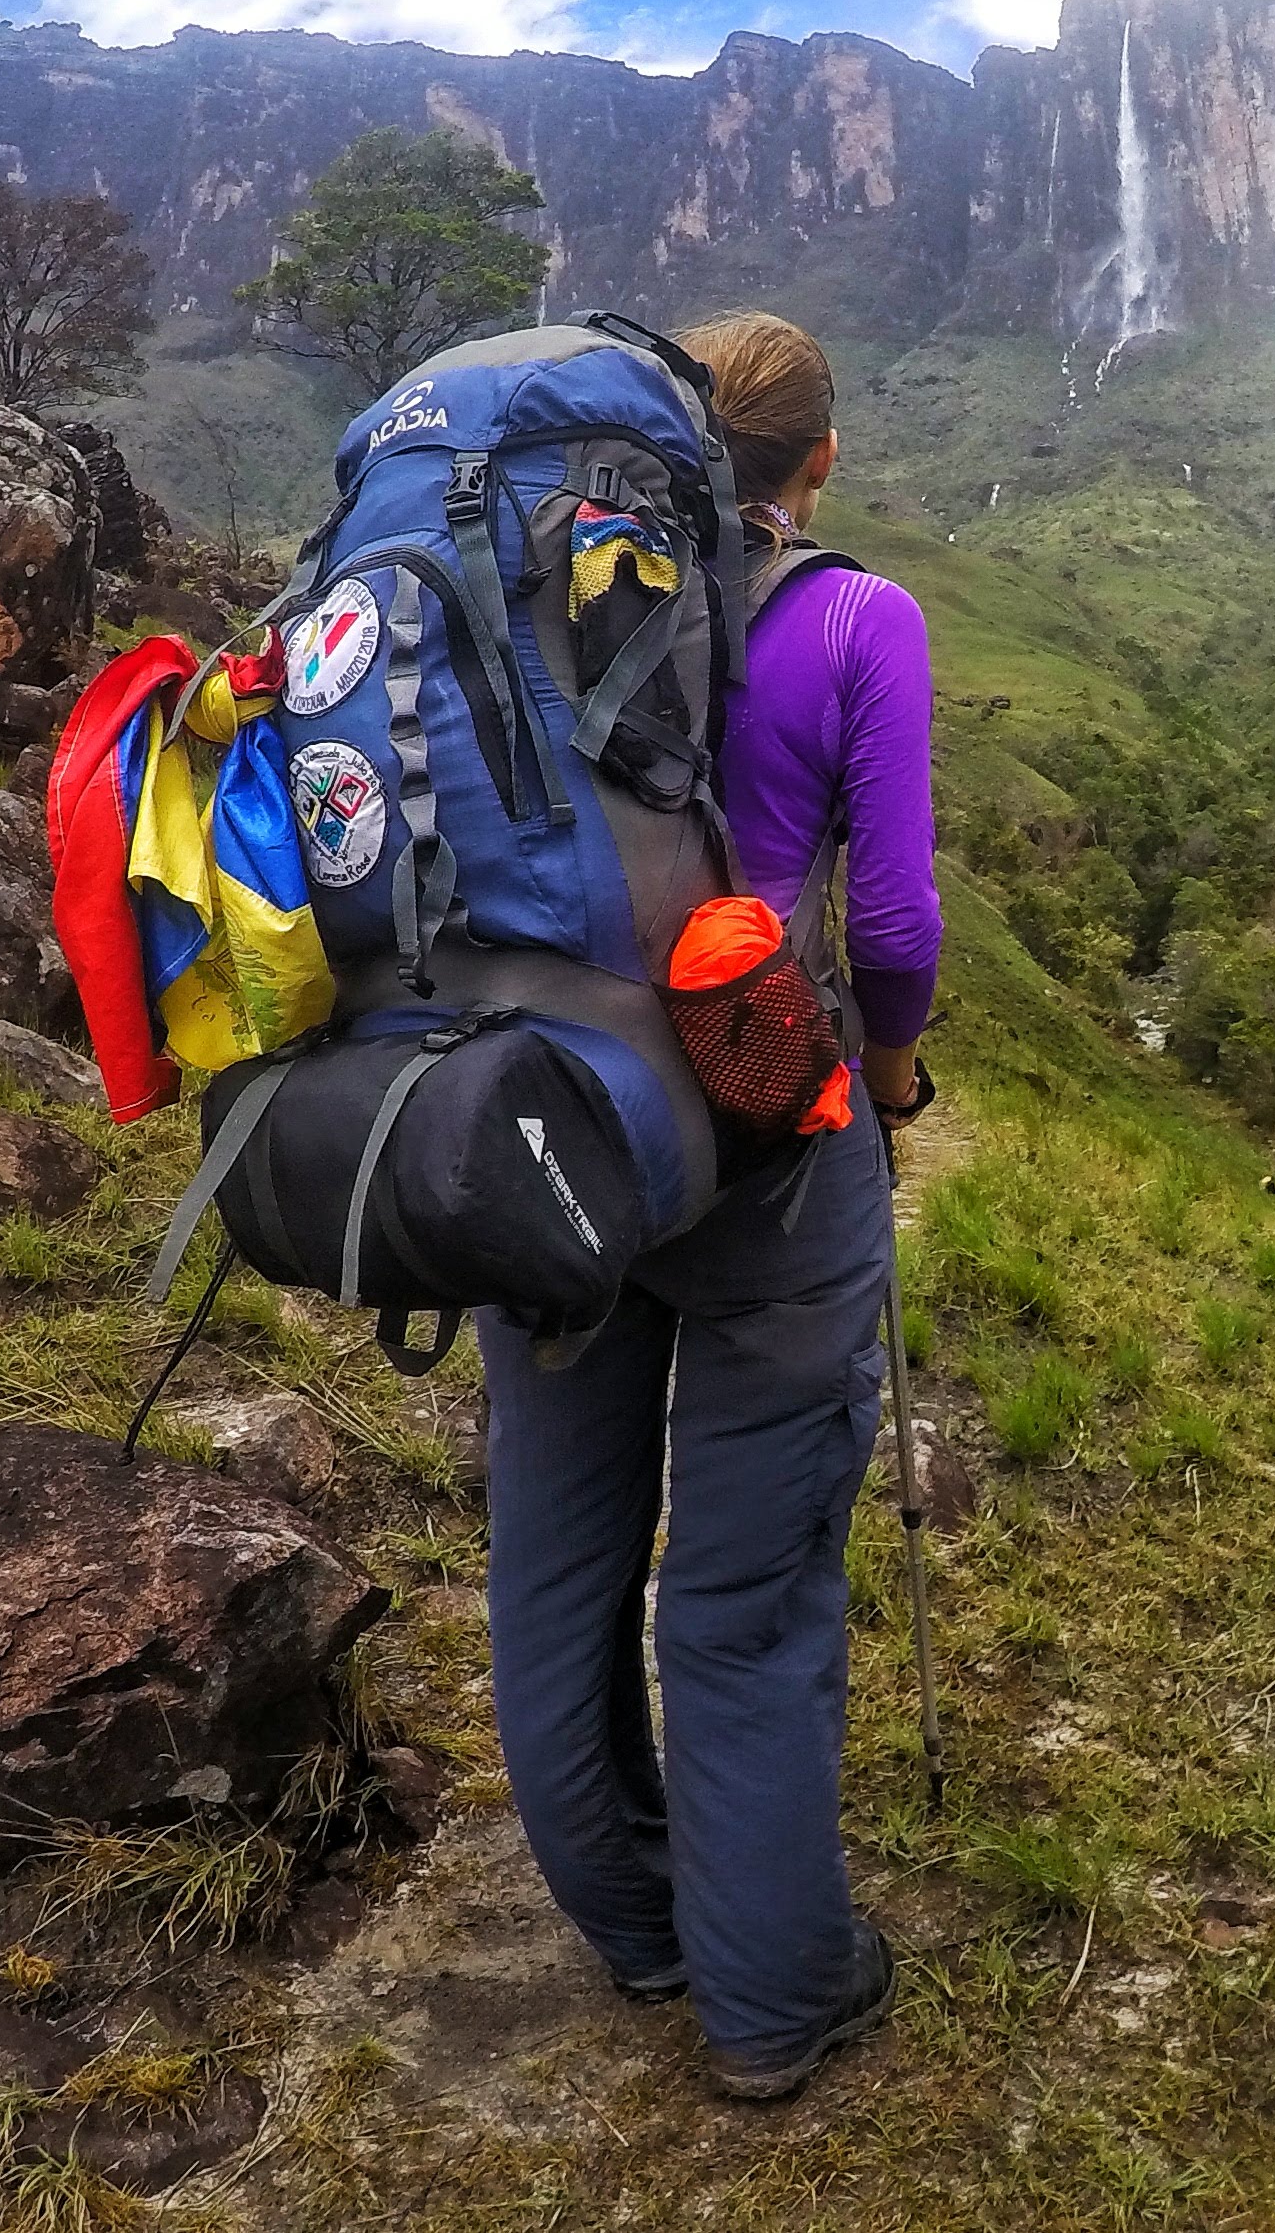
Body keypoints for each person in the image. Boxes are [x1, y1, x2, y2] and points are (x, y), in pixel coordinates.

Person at [475, 308, 942, 2101]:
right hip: (762, 1143)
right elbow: (890, 930)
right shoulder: (855, 620)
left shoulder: (538, 591)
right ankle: (770, 2000)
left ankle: (640, 1924)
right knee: (743, 1595)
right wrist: (887, 1079)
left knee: (557, 1555)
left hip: (541, 1138)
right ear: (815, 462)